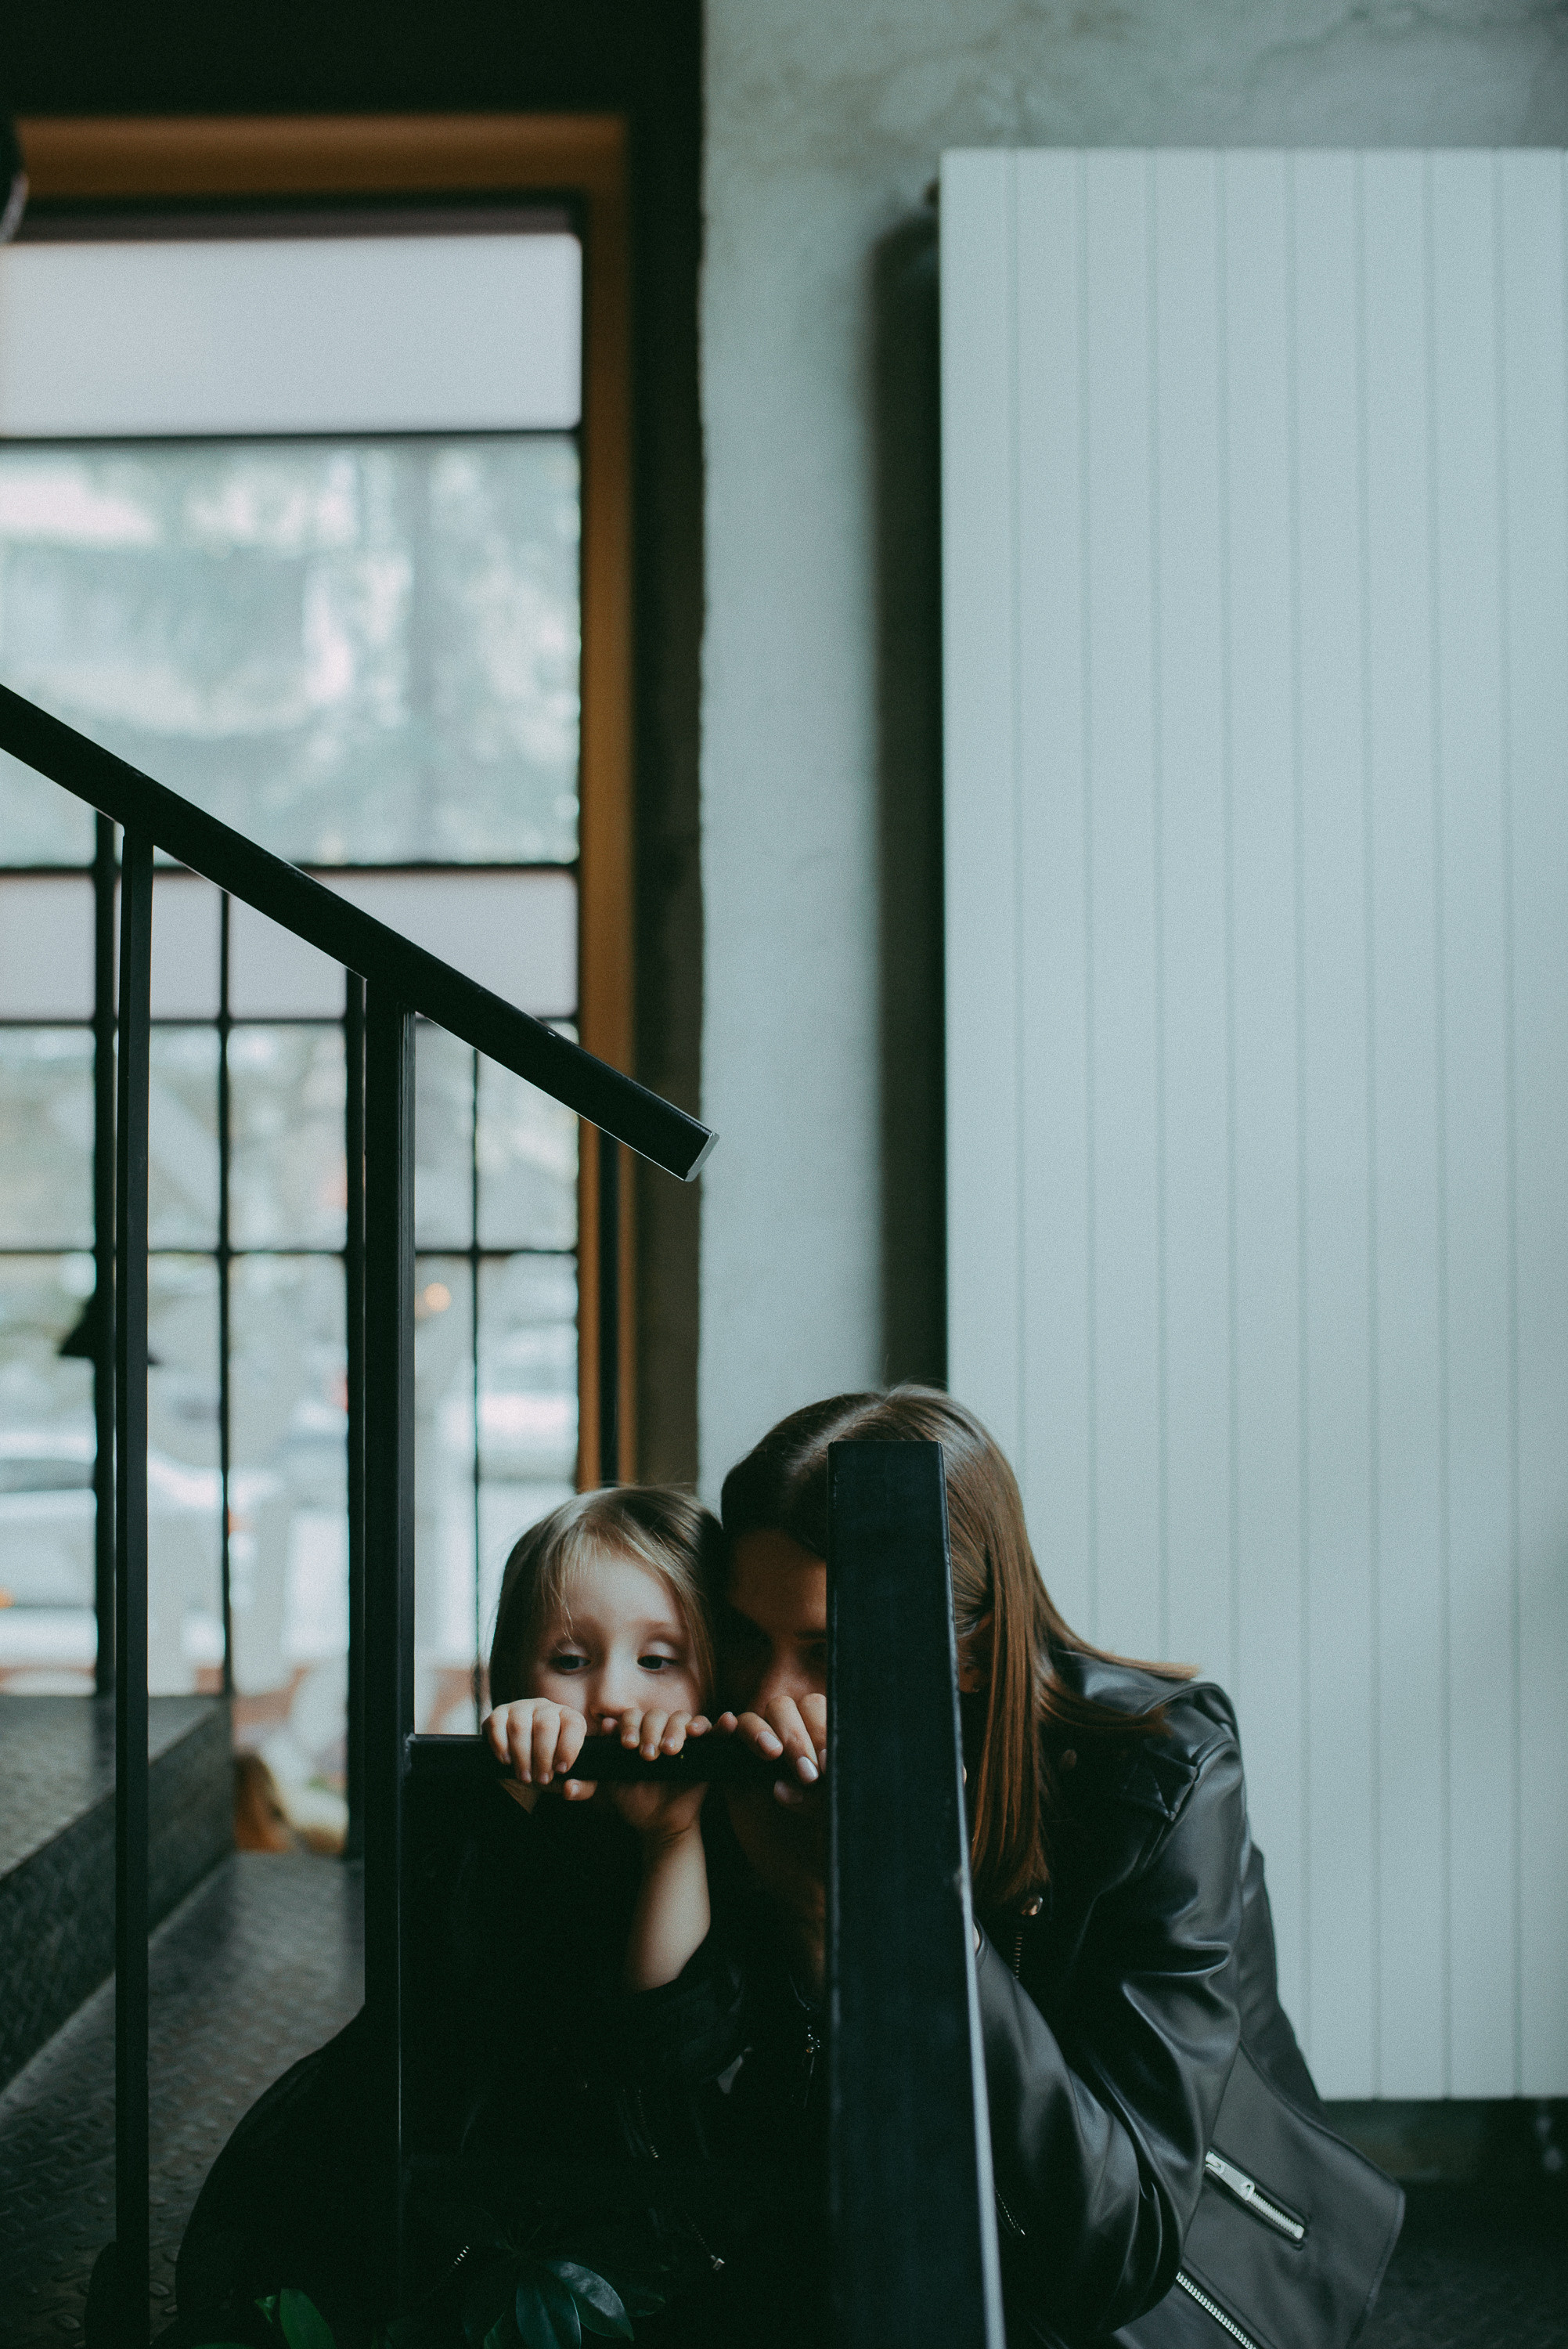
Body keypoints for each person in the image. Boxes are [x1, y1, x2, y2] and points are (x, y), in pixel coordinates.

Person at [633, 1385, 1401, 2349]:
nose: (769, 1691)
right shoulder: (755, 1753)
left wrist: (905, 1905)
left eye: (828, 1650)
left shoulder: (1157, 1771)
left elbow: (1113, 2245)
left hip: (1162, 2281)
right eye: (748, 1636)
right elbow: (708, 2143)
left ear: (972, 1647)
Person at [165, 1486, 730, 2349]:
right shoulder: (477, 1801)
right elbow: (450, 1983)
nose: (611, 1696)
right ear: (512, 1676)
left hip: (626, 2187)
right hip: (448, 2159)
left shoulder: (720, 1818)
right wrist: (511, 1788)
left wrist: (672, 1834)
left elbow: (661, 2045)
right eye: (570, 1661)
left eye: (659, 1660)